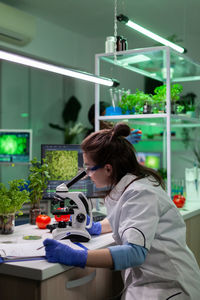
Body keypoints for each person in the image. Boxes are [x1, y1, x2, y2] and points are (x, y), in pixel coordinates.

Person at [43, 122, 200, 300]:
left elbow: (135, 253)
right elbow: (132, 218)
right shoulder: (130, 185)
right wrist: (96, 227)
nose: (87, 174)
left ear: (108, 168)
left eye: (89, 168)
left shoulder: (141, 193)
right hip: (150, 283)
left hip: (168, 287)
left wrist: (78, 257)